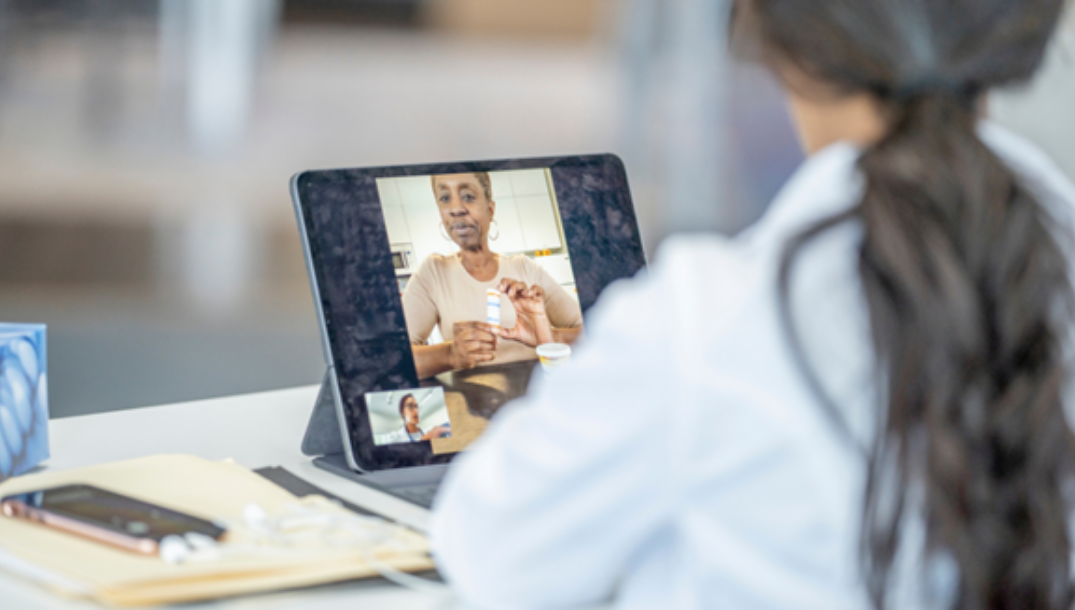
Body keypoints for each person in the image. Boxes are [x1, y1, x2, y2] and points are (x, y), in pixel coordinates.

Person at [431, 1, 1075, 608]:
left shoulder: (705, 322)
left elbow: (492, 549)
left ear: (785, 46)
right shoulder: (1051, 271)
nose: (459, 211)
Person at [402, 172, 583, 379]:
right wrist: (450, 354)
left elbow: (593, 333)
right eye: (445, 198)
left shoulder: (525, 269)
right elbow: (393, 360)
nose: (455, 209)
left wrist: (548, 336)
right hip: (474, 406)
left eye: (468, 196)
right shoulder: (432, 273)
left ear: (490, 209)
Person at [374, 393, 450, 445]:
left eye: (416, 406)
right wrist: (425, 439)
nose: (416, 410)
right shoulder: (392, 438)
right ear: (402, 412)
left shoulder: (430, 431)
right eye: (410, 406)